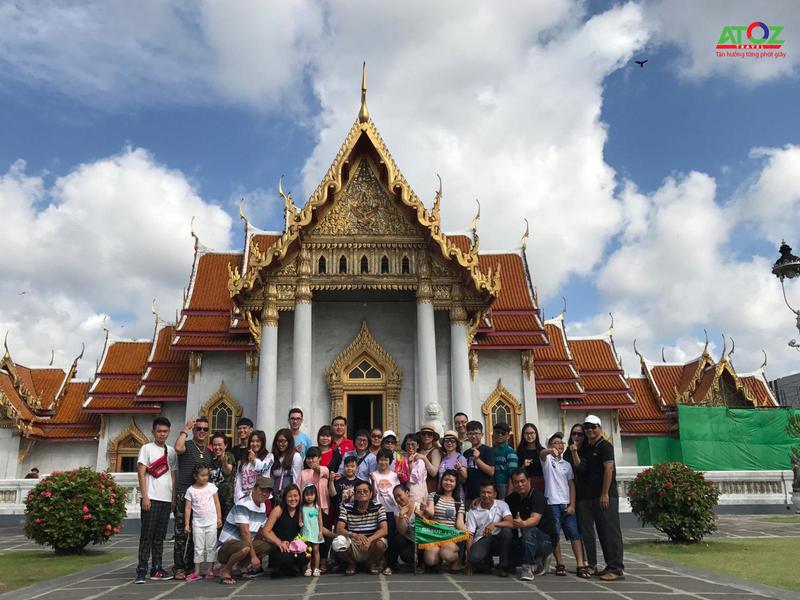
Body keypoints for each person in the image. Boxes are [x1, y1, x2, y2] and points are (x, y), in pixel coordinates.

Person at [573, 415, 624, 581]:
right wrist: (574, 451)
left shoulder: (605, 446)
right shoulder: (586, 448)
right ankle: (605, 565)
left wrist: (605, 493)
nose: (590, 430)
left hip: (605, 496)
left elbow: (609, 468)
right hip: (588, 496)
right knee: (599, 532)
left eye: (593, 427)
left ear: (600, 428)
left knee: (610, 532)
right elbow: (581, 468)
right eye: (587, 427)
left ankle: (616, 568)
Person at [135, 416, 178, 584]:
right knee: (147, 535)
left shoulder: (171, 451)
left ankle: (157, 567)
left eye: (165, 431)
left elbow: (173, 475)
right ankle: (141, 569)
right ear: (153, 432)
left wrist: (173, 498)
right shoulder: (147, 448)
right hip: (151, 498)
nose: (162, 434)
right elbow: (141, 473)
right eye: (159, 431)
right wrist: (145, 496)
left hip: (166, 499)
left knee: (160, 536)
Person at [540, 432, 589, 578]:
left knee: (574, 534)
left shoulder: (567, 464)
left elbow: (571, 485)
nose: (559, 445)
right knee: (555, 535)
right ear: (549, 445)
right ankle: (560, 563)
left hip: (566, 503)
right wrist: (549, 451)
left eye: (561, 443)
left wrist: (572, 504)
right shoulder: (547, 460)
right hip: (552, 503)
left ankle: (580, 564)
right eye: (555, 442)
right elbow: (542, 454)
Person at [216, 476, 274, 585]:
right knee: (246, 546)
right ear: (254, 489)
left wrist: (279, 542)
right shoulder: (243, 504)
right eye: (262, 490)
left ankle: (242, 567)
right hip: (227, 546)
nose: (264, 494)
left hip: (244, 544)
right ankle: (225, 570)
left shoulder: (262, 506)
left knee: (268, 545)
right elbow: (245, 533)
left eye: (267, 491)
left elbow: (261, 530)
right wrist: (253, 557)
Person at [173, 415, 211, 580]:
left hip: (200, 498)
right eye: (199, 429)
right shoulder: (188, 445)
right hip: (184, 495)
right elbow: (177, 447)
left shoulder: (208, 451)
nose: (202, 431)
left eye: (205, 429)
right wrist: (185, 429)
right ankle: (179, 567)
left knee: (196, 535)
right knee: (182, 533)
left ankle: (190, 567)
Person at [505, 468, 555, 581]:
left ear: (529, 481)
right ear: (512, 483)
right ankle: (537, 560)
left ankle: (527, 567)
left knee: (529, 528)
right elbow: (498, 504)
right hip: (527, 539)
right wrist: (480, 500)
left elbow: (535, 520)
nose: (520, 484)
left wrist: (523, 523)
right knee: (509, 543)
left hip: (545, 540)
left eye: (522, 481)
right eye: (516, 482)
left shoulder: (538, 497)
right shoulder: (513, 498)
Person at [334, 479, 389, 575]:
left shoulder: (379, 507)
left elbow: (384, 530)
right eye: (359, 492)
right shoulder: (346, 507)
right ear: (354, 495)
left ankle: (371, 563)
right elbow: (339, 529)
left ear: (371, 494)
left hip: (371, 544)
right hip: (354, 544)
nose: (362, 493)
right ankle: (351, 563)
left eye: (365, 491)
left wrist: (370, 540)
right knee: (338, 541)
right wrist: (355, 535)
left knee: (381, 543)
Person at [183, 464, 222, 582]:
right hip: (197, 523)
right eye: (202, 475)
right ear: (195, 476)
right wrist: (186, 523)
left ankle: (210, 569)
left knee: (211, 546)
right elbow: (188, 508)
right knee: (198, 547)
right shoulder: (190, 490)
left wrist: (219, 518)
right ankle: (197, 571)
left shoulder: (211, 487)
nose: (205, 478)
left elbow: (216, 503)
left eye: (207, 475)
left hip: (211, 522)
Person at [465, 481, 513, 577]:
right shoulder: (473, 511)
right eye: (483, 492)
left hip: (498, 539)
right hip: (482, 539)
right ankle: (487, 563)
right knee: (475, 559)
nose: (486, 495)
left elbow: (510, 523)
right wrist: (468, 561)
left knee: (507, 532)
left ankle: (503, 567)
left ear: (495, 494)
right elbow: (469, 535)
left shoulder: (502, 505)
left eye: (489, 492)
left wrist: (495, 524)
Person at [565, 423, 595, 574]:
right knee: (575, 531)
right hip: (570, 496)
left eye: (579, 434)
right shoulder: (567, 452)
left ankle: (590, 562)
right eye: (574, 434)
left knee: (586, 530)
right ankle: (580, 562)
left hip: (584, 495)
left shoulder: (587, 451)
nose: (576, 437)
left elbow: (581, 469)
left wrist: (576, 452)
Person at [262, 484, 309, 578]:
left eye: (295, 496)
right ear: (285, 497)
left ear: (299, 497)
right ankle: (279, 568)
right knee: (286, 559)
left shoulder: (301, 511)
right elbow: (266, 531)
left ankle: (291, 568)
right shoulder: (278, 510)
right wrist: (279, 542)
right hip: (280, 547)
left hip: (294, 547)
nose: (293, 499)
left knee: (304, 558)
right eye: (290, 496)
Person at [422, 469, 466, 572]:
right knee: (430, 560)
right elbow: (431, 512)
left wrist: (468, 532)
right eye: (446, 480)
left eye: (452, 481)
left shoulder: (459, 502)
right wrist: (426, 509)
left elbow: (459, 523)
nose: (448, 483)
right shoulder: (433, 496)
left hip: (450, 537)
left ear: (456, 484)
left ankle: (455, 560)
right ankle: (438, 561)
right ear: (441, 481)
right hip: (434, 536)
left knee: (446, 553)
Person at [300, 446, 332, 572]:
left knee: (320, 534)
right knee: (308, 535)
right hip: (306, 508)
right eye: (308, 457)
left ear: (319, 458)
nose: (310, 460)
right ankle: (308, 563)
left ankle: (322, 561)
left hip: (321, 506)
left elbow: (321, 471)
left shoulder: (324, 469)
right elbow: (299, 487)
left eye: (313, 457)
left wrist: (316, 467)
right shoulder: (303, 473)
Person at [388, 483, 422, 574]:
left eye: (399, 495)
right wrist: (401, 515)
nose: (398, 499)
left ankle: (422, 565)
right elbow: (401, 531)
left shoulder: (419, 506)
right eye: (396, 498)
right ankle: (391, 565)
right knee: (397, 541)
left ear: (407, 492)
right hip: (407, 538)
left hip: (420, 539)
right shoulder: (397, 510)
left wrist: (421, 516)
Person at [300, 483, 331, 576]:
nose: (309, 497)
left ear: (315, 495)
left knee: (316, 550)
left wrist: (321, 531)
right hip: (306, 531)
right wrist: (300, 522)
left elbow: (320, 521)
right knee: (308, 550)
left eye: (311, 494)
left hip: (315, 531)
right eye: (307, 495)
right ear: (303, 496)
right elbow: (300, 518)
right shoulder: (302, 507)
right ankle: (308, 568)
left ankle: (317, 568)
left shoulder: (317, 507)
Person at [234, 430, 274, 502]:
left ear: (262, 442)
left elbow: (263, 469)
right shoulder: (243, 459)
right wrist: (239, 496)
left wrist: (254, 460)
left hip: (262, 498)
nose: (255, 444)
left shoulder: (269, 456)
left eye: (258, 441)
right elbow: (238, 479)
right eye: (252, 441)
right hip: (244, 498)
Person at [370, 448, 400, 540]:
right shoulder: (373, 475)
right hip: (378, 510)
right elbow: (372, 495)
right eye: (381, 459)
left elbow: (398, 493)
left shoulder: (394, 476)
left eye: (386, 460)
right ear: (377, 460)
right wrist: (373, 481)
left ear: (390, 461)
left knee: (391, 535)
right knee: (378, 536)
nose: (383, 462)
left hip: (392, 510)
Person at [463, 421, 495, 505]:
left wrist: (477, 459)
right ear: (467, 435)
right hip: (470, 494)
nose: (473, 436)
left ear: (482, 434)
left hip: (485, 494)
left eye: (476, 433)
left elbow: (491, 471)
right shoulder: (466, 453)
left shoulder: (488, 450)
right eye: (470, 433)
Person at [330, 455, 365, 524]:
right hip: (340, 515)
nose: (349, 468)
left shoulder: (360, 483)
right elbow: (333, 496)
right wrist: (331, 480)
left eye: (352, 466)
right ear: (343, 467)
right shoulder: (339, 481)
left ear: (357, 468)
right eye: (347, 466)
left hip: (355, 516)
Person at [209, 432, 236, 523]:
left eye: (220, 445)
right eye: (214, 445)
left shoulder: (229, 456)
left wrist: (224, 462)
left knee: (225, 525)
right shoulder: (210, 458)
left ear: (225, 445)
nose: (217, 448)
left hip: (226, 499)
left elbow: (228, 471)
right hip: (212, 498)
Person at [271, 428, 303, 497]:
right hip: (275, 495)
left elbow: (297, 479)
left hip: (289, 496)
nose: (280, 444)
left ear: (289, 441)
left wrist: (294, 496)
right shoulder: (274, 456)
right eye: (278, 441)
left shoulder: (295, 456)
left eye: (283, 441)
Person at [491, 422, 518, 499]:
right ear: (493, 433)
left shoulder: (510, 452)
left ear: (508, 436)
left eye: (503, 433)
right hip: (491, 485)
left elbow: (512, 475)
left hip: (504, 486)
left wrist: (509, 495)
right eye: (497, 432)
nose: (499, 435)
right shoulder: (490, 450)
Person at [438, 430, 468, 500]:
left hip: (456, 495)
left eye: (452, 441)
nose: (449, 443)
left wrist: (459, 468)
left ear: (457, 443)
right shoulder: (443, 458)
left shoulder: (460, 458)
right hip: (442, 494)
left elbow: (464, 479)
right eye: (446, 441)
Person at [517, 423, 546, 494]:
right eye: (526, 433)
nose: (529, 436)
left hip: (541, 483)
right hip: (525, 485)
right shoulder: (520, 451)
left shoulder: (542, 451)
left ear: (536, 434)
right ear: (523, 435)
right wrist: (524, 466)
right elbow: (517, 471)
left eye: (532, 433)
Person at [401, 433, 428, 504]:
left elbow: (415, 479)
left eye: (413, 444)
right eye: (408, 444)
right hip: (406, 492)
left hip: (417, 493)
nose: (410, 447)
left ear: (418, 445)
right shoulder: (403, 458)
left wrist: (410, 464)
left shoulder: (420, 460)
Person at [417, 423, 442, 493]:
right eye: (423, 434)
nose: (426, 436)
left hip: (430, 488)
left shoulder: (435, 451)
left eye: (429, 434)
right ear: (420, 436)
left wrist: (424, 458)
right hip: (418, 487)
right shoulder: (418, 450)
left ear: (433, 437)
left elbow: (434, 472)